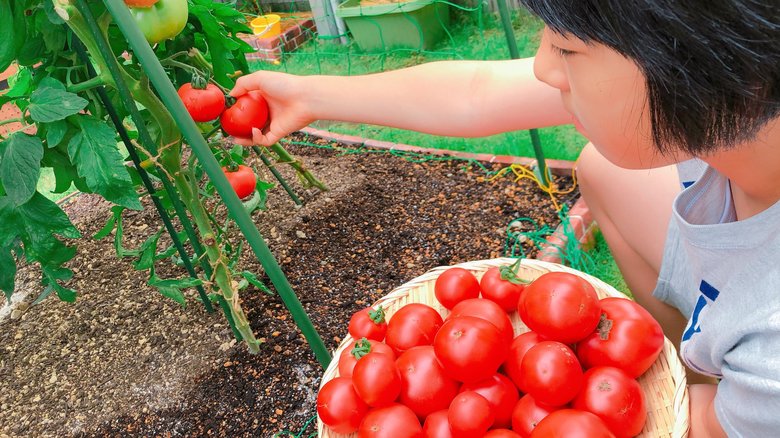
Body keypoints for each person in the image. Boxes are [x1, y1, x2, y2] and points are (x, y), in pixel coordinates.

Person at [230, 1, 780, 436]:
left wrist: (600, 404)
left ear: (704, 66)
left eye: (565, 47)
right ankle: (688, 354)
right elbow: (477, 93)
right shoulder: (731, 107)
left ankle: (712, 379)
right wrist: (311, 96)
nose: (543, 66)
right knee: (603, 169)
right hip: (737, 288)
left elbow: (709, 428)